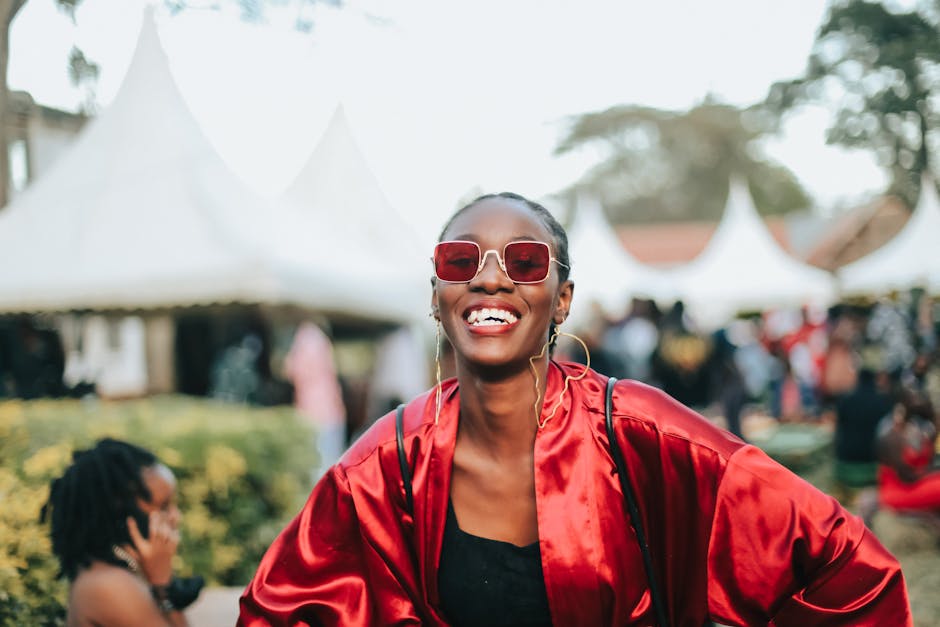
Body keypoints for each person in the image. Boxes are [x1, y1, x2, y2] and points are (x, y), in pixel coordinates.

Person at [239, 192, 910, 626]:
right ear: (437, 294)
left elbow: (849, 568)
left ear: (562, 301)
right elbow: (274, 611)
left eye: (526, 260)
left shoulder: (645, 433)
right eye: (460, 258)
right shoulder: (384, 467)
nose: (491, 275)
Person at [42, 438, 203, 626]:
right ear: (121, 510)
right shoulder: (110, 586)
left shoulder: (118, 569)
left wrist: (162, 585)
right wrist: (163, 584)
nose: (176, 516)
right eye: (164, 506)